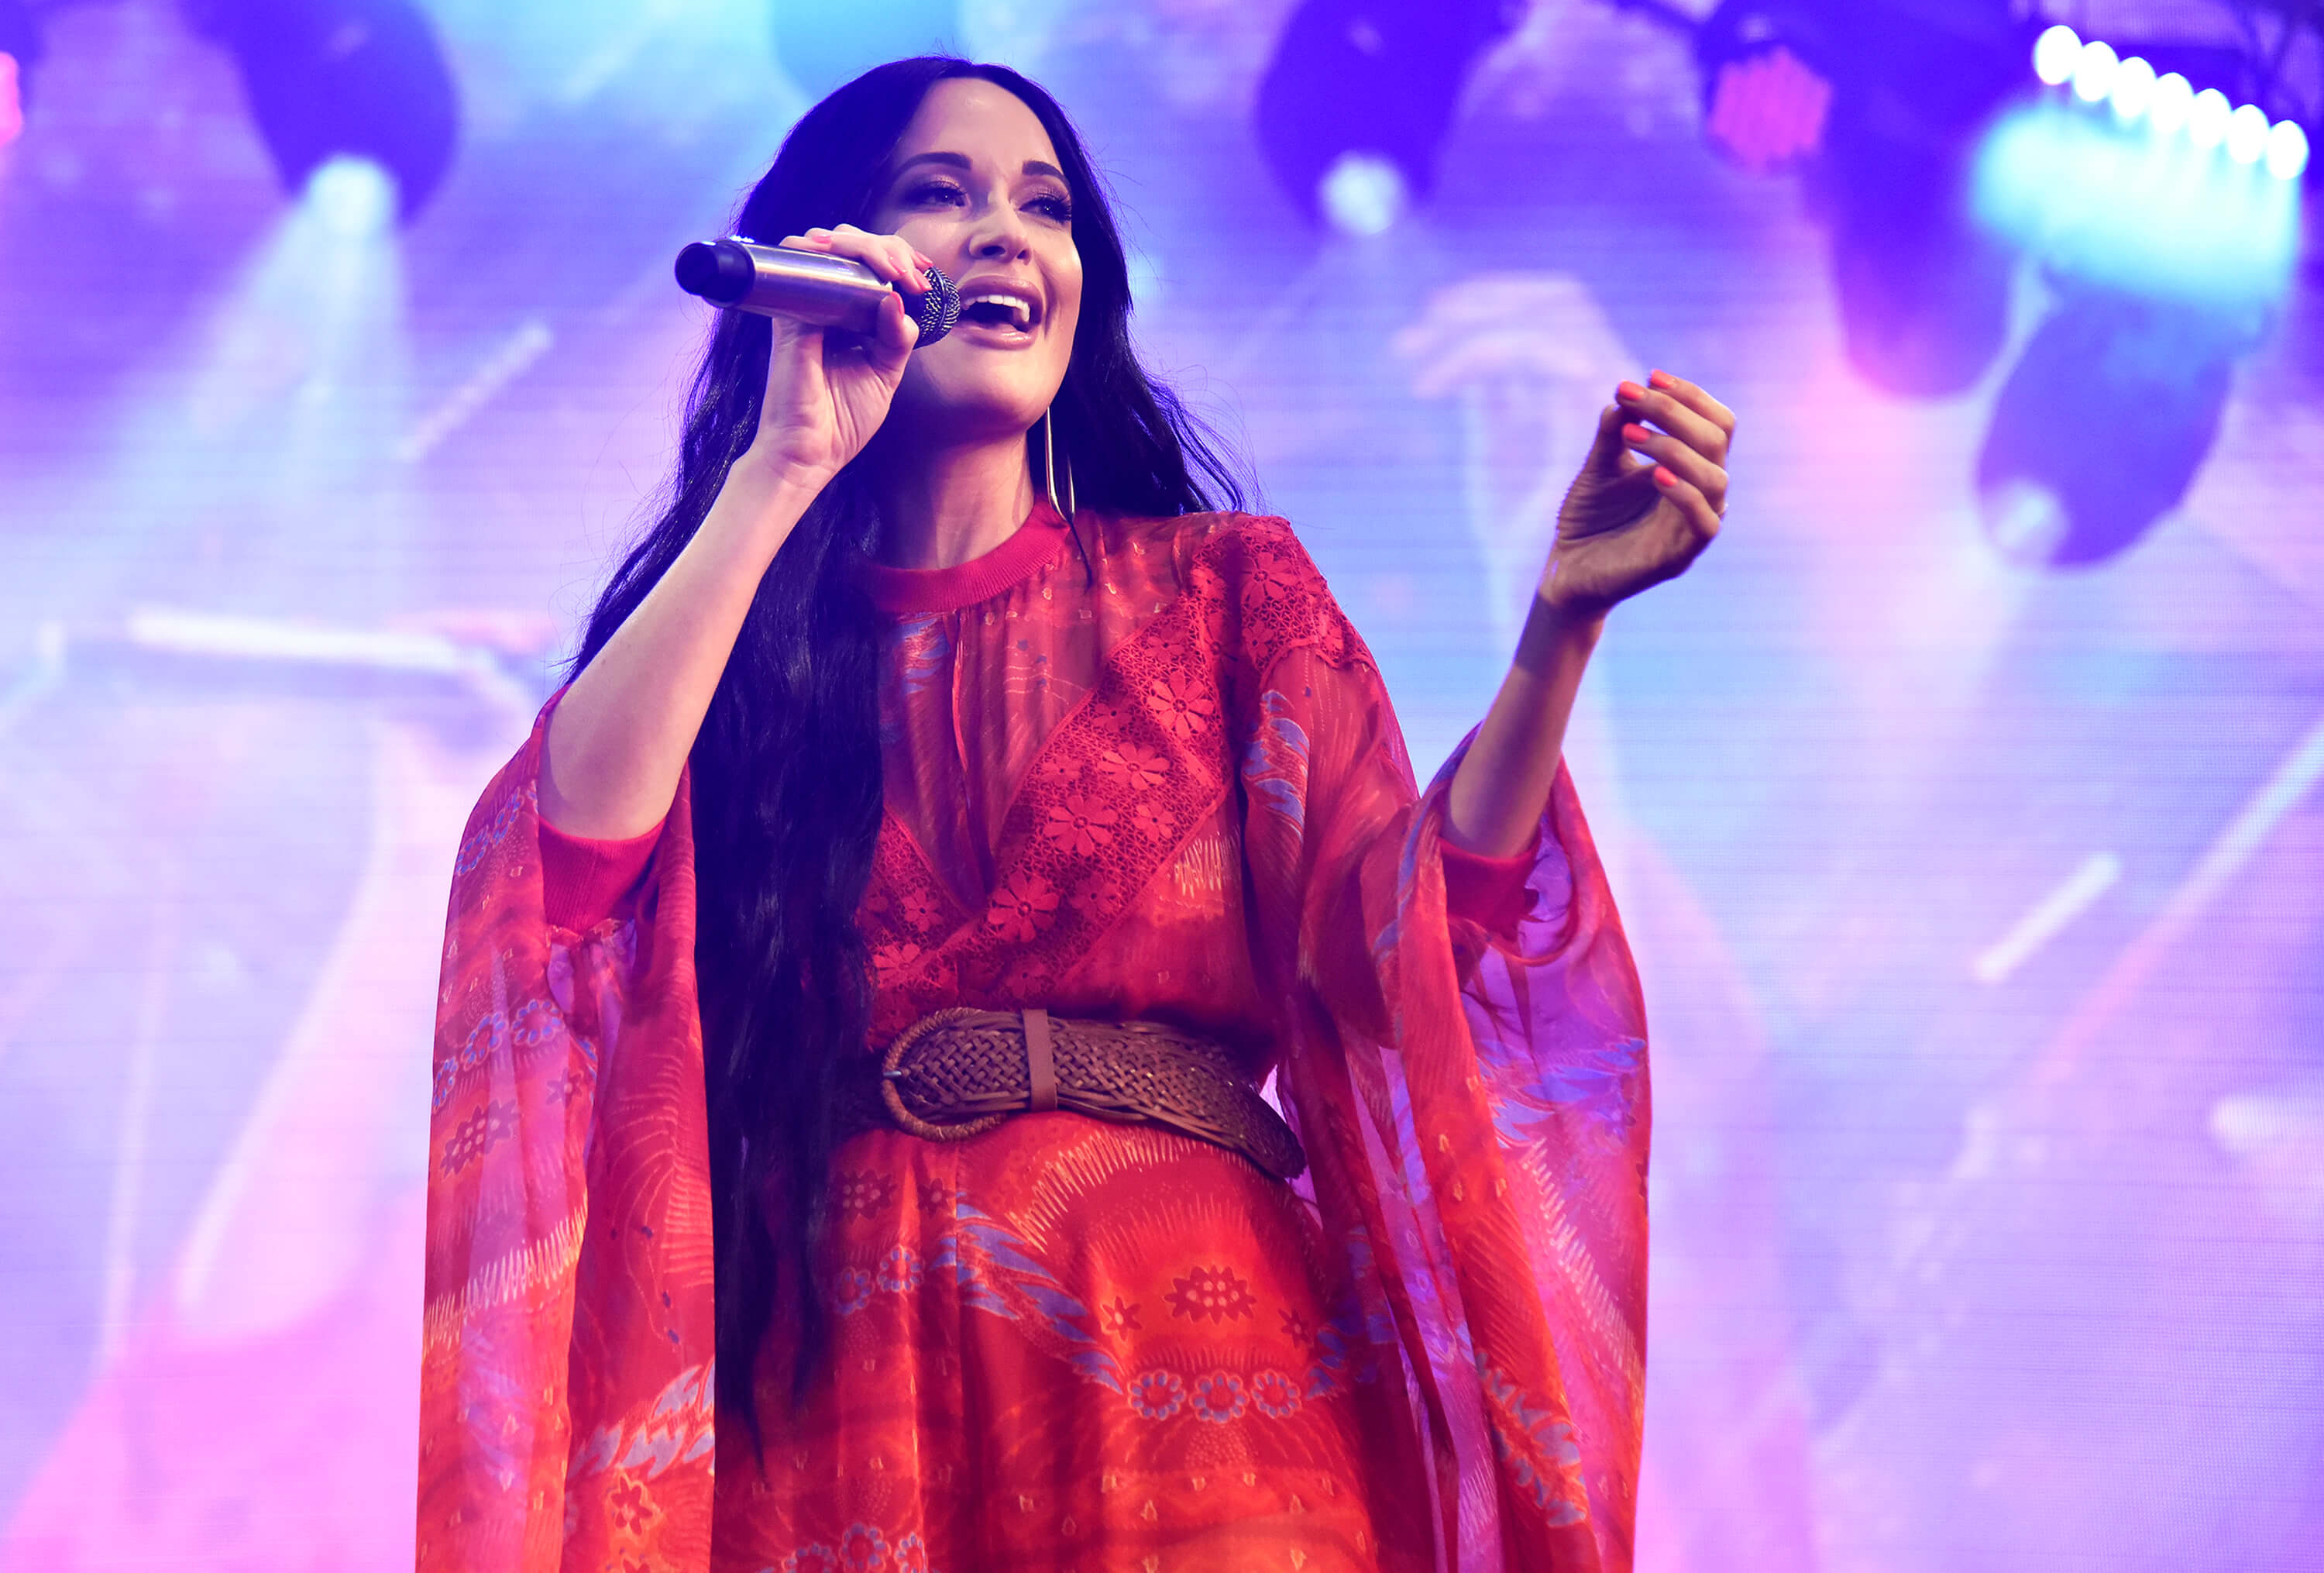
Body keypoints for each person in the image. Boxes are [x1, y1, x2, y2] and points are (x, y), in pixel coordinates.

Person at [418, 56, 1732, 1573]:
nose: (1004, 236)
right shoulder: (734, 650)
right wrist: (784, 466)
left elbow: (1400, 958)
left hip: (1193, 1376)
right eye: (939, 195)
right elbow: (560, 881)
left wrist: (1559, 628)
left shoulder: (1231, 596)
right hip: (831, 1397)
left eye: (1045, 208)